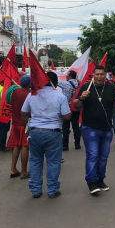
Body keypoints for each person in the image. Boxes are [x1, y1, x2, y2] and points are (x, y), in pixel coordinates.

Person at [74, 66, 115, 195]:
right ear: (93, 75)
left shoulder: (110, 88)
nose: (99, 77)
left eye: (102, 74)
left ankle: (100, 180)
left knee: (103, 157)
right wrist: (81, 98)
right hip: (90, 129)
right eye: (97, 74)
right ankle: (92, 182)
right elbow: (75, 105)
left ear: (105, 75)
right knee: (93, 155)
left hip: (107, 129)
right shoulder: (86, 87)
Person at [21, 71, 71, 199]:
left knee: (35, 160)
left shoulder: (32, 94)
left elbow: (23, 113)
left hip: (35, 131)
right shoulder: (60, 96)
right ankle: (52, 190)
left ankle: (36, 190)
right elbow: (66, 116)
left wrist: (30, 121)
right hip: (53, 133)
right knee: (53, 162)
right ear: (55, 83)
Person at [6, 75, 31, 179]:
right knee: (25, 146)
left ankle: (13, 169)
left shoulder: (14, 93)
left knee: (17, 146)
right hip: (24, 124)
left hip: (15, 123)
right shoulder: (28, 95)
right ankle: (24, 171)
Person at [57, 70, 81, 151]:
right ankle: (77, 144)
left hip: (66, 108)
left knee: (65, 128)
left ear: (70, 76)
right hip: (76, 107)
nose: (66, 76)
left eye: (67, 75)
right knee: (76, 126)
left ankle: (65, 145)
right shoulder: (79, 83)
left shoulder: (65, 83)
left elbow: (55, 82)